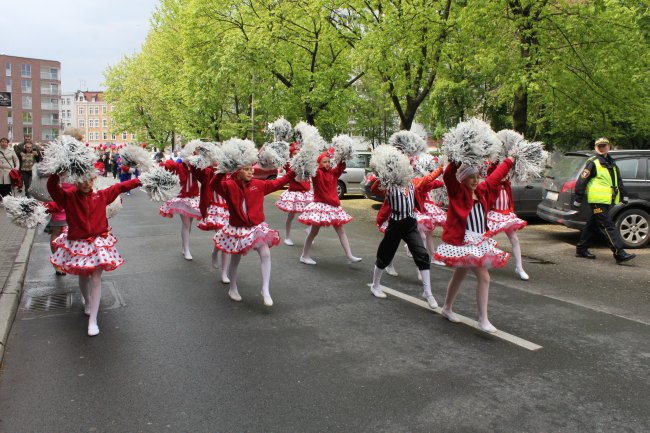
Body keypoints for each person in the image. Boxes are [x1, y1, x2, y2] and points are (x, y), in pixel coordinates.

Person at [47, 171, 141, 336]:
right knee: (83, 276)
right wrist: (57, 171)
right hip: (79, 243)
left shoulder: (102, 195)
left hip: (98, 242)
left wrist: (142, 180)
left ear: (94, 180)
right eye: (82, 180)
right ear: (76, 181)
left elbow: (121, 186)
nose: (86, 184)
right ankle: (88, 302)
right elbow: (52, 188)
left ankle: (93, 321)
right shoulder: (68, 197)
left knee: (96, 278)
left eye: (90, 180)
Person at [434, 159, 514, 333]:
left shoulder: (482, 191)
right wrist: (456, 160)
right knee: (484, 278)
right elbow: (448, 175)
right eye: (471, 177)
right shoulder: (457, 191)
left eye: (477, 177)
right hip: (464, 242)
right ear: (463, 178)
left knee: (459, 275)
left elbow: (495, 177)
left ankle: (447, 308)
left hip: (479, 241)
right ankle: (483, 319)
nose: (475, 180)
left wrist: (510, 160)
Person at [210, 165, 294, 307]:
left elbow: (279, 182)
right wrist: (223, 170)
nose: (251, 171)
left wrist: (294, 171)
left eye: (251, 168)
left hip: (256, 227)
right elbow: (214, 184)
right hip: (238, 229)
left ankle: (265, 290)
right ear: (237, 171)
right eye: (246, 169)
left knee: (266, 254)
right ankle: (233, 288)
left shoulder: (258, 184)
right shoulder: (228, 186)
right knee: (235, 259)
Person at [369, 167, 445, 309]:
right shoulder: (389, 186)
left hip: (410, 224)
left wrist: (441, 168)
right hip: (395, 225)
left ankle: (428, 293)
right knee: (385, 255)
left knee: (422, 254)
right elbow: (374, 189)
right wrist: (381, 174)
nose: (407, 173)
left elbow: (429, 178)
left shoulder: (413, 183)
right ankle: (375, 285)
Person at [574, 137, 636, 264]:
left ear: (609, 146)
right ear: (596, 148)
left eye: (604, 145)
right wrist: (578, 197)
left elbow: (618, 180)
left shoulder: (611, 162)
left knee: (592, 224)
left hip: (607, 200)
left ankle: (581, 249)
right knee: (607, 225)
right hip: (597, 200)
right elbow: (582, 180)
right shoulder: (593, 162)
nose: (602, 148)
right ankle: (619, 253)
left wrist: (624, 195)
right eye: (599, 146)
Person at [298, 151, 362, 265]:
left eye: (328, 161)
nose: (327, 163)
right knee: (313, 232)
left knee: (341, 231)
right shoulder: (317, 173)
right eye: (324, 162)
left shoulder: (333, 173)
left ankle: (349, 255)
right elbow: (309, 169)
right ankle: (304, 255)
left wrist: (342, 154)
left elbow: (341, 166)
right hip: (320, 206)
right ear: (319, 164)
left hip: (333, 207)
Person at [485, 161, 529, 280]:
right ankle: (485, 262)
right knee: (486, 239)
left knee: (514, 239)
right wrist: (495, 163)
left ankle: (519, 267)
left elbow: (510, 201)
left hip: (506, 215)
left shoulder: (506, 185)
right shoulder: (493, 184)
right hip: (494, 214)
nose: (506, 174)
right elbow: (491, 172)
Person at [159, 158, 201, 260]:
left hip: (193, 198)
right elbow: (167, 166)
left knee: (189, 224)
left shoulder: (196, 167)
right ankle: (186, 249)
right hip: (182, 199)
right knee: (186, 223)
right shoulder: (179, 166)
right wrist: (166, 163)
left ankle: (184, 246)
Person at [197, 167, 231, 284]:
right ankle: (221, 266)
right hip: (216, 209)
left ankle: (223, 270)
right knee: (223, 237)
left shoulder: (233, 172)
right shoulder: (209, 172)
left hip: (229, 209)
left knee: (226, 239)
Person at [275, 143, 313, 245]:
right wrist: (281, 167)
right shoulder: (289, 164)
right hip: (294, 193)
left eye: (298, 153)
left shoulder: (306, 164)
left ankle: (310, 229)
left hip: (306, 193)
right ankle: (287, 237)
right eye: (294, 153)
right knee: (291, 216)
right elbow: (281, 164)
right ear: (291, 156)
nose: (297, 155)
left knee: (310, 212)